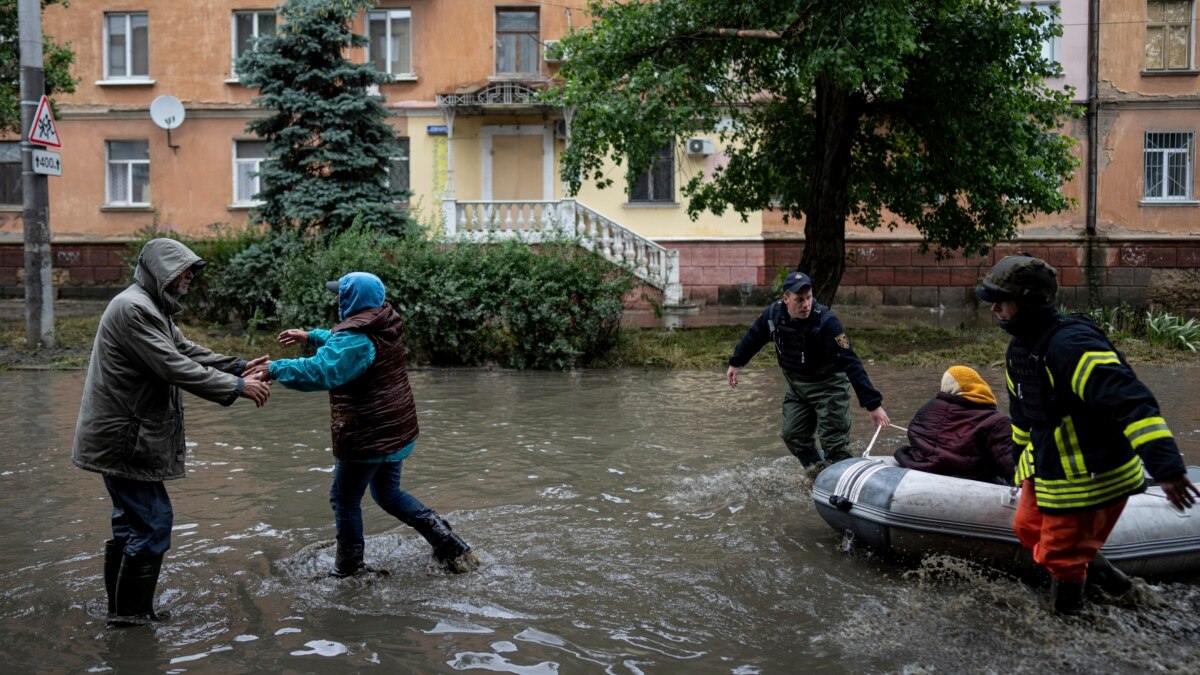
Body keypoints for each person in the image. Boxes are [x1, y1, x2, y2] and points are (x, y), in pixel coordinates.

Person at [976, 253, 1199, 613]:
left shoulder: (1071, 345)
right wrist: (1020, 460)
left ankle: (1069, 624)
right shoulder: (1020, 349)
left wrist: (1167, 467)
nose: (994, 309)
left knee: (1060, 554)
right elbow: (1022, 414)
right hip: (1049, 466)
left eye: (1002, 301)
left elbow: (1131, 402)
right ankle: (1115, 583)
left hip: (1091, 474)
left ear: (1029, 302)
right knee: (1027, 526)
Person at [72, 238, 272, 627]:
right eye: (184, 273)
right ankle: (132, 620)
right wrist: (236, 387)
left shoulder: (150, 307)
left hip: (122, 437)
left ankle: (121, 612)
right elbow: (172, 366)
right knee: (153, 523)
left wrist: (238, 366)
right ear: (163, 272)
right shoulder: (133, 309)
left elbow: (189, 352)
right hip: (124, 440)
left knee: (132, 526)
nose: (189, 280)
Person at [256, 271, 478, 577]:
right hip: (394, 428)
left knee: (344, 498)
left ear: (353, 299)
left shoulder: (356, 339)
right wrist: (312, 336)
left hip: (368, 435)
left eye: (341, 294)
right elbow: (343, 343)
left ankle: (349, 570)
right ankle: (450, 545)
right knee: (388, 494)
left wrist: (276, 368)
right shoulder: (383, 321)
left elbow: (322, 371)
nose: (337, 299)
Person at [726, 271, 889, 467]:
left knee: (834, 443)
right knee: (793, 435)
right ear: (786, 299)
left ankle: (844, 484)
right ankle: (817, 472)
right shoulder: (773, 315)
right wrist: (736, 362)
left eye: (809, 298)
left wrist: (873, 404)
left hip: (829, 386)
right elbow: (754, 337)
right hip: (798, 387)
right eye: (799, 299)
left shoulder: (826, 322)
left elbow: (851, 362)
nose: (806, 304)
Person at [893, 365, 1015, 484]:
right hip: (970, 482)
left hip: (918, 471)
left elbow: (914, 436)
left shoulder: (928, 409)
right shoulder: (997, 421)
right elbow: (1010, 463)